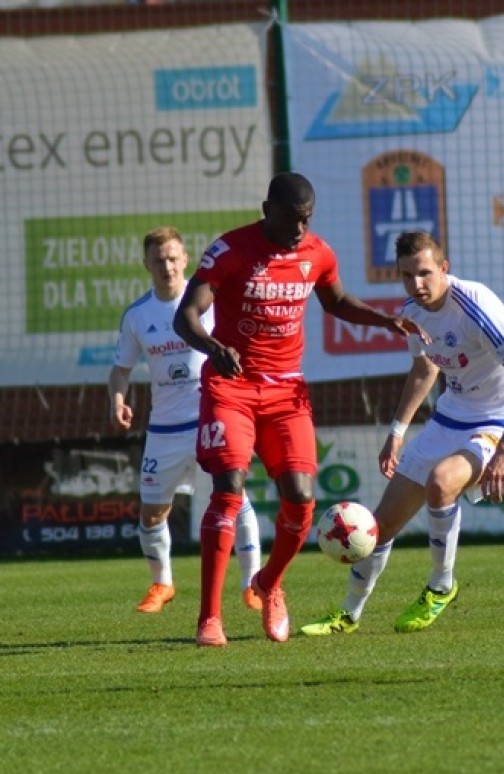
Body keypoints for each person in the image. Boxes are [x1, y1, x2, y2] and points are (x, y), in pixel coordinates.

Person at [173, 172, 427, 647]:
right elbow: (185, 315)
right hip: (232, 387)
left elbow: (337, 301)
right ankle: (209, 617)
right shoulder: (230, 250)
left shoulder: (317, 253)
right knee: (228, 486)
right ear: (266, 210)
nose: (299, 228)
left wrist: (384, 319)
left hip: (286, 392)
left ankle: (269, 583)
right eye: (291, 218)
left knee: (301, 495)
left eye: (306, 219)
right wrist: (212, 347)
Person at [300, 230, 504, 637]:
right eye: (406, 276)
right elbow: (424, 369)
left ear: (444, 268)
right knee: (380, 525)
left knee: (441, 483)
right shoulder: (412, 311)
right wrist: (396, 431)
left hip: (497, 422)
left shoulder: (476, 306)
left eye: (425, 273)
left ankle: (440, 586)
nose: (416, 284)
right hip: (450, 417)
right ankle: (348, 614)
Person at [109, 227, 262, 614]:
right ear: (146, 264)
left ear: (185, 260)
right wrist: (118, 400)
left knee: (235, 499)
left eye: (173, 258)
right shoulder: (137, 315)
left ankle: (252, 584)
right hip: (164, 430)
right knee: (151, 512)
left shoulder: (208, 303)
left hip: (213, 418)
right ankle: (162, 583)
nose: (167, 266)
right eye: (159, 260)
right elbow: (121, 369)